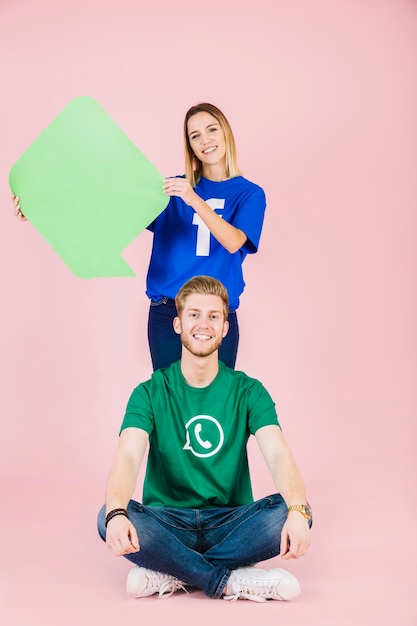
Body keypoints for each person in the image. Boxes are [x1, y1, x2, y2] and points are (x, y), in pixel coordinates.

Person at [97, 275, 312, 602]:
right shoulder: (150, 392)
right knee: (107, 514)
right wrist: (116, 513)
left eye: (213, 316)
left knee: (296, 509)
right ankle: (230, 581)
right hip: (169, 520)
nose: (204, 324)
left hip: (231, 521)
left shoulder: (248, 391)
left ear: (225, 328)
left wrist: (297, 510)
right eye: (194, 314)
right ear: (178, 325)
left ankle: (172, 571)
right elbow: (127, 456)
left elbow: (278, 454)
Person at [12, 102, 265, 371]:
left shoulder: (249, 194)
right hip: (168, 311)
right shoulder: (172, 190)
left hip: (216, 313)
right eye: (195, 135)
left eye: (211, 129)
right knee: (167, 405)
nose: (205, 140)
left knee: (217, 406)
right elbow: (108, 207)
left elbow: (234, 241)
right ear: (190, 146)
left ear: (225, 132)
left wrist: (194, 199)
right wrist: (43, 207)